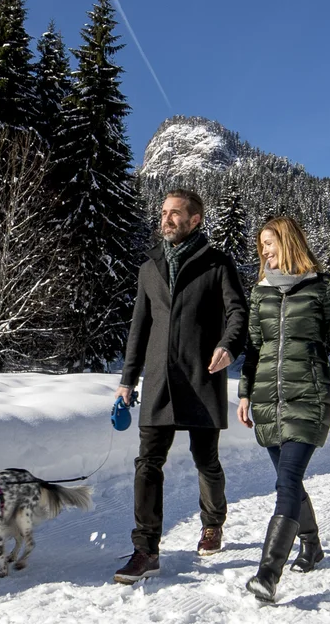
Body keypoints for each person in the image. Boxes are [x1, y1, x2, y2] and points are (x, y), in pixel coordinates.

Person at [112, 188, 248, 584]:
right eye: (164, 212)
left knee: (205, 460)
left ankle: (213, 521)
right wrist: (127, 379)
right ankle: (145, 549)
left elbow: (238, 311)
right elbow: (140, 327)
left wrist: (228, 345)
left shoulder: (217, 263)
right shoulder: (149, 267)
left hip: (202, 375)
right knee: (148, 462)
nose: (167, 218)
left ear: (195, 220)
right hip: (157, 381)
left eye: (175, 213)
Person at [236, 215, 330, 603]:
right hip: (266, 398)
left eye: (270, 243)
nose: (264, 251)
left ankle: (267, 574)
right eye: (261, 245)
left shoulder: (322, 288)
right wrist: (244, 393)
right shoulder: (259, 292)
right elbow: (254, 349)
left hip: (308, 394)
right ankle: (312, 544)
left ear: (289, 243)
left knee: (286, 481)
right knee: (288, 481)